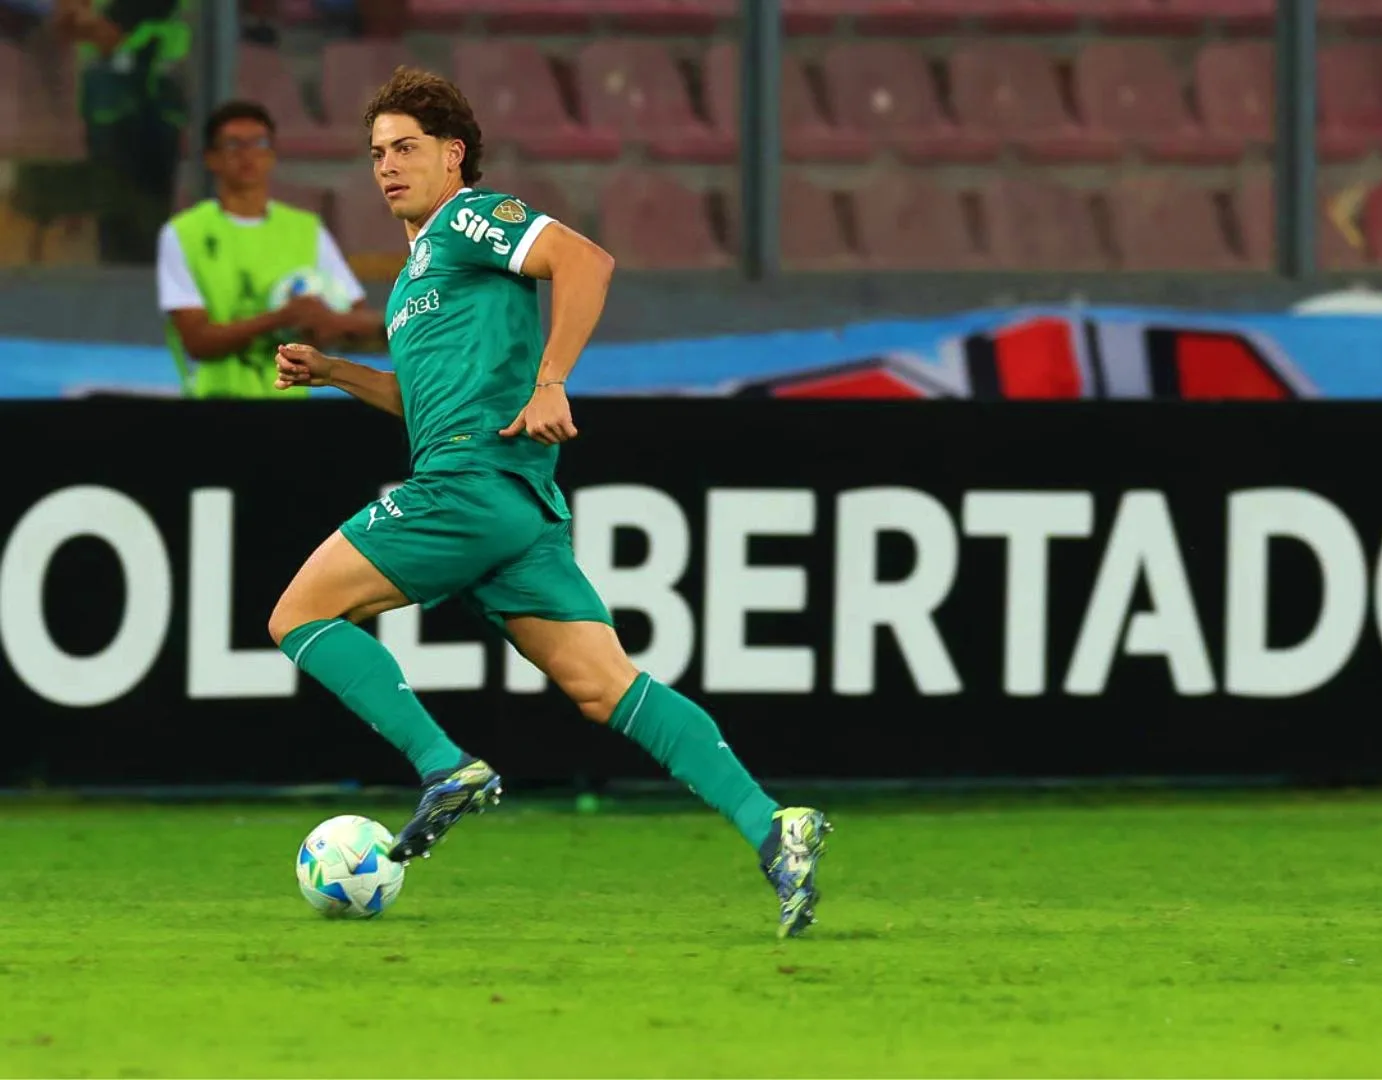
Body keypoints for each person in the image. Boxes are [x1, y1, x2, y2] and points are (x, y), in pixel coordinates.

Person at [266, 66, 831, 938]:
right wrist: (337, 373)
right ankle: (774, 828)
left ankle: (442, 765)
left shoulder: (465, 218)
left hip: (467, 483)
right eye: (377, 152)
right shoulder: (418, 272)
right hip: (517, 506)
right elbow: (425, 405)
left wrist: (553, 380)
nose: (387, 166)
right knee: (607, 686)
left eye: (407, 148)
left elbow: (585, 260)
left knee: (298, 615)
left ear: (454, 155)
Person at [159, 101, 385, 399]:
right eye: (233, 144)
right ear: (211, 159)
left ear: (272, 155)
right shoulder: (184, 234)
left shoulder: (306, 230)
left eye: (259, 143)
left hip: (289, 410)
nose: (247, 153)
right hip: (214, 406)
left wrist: (323, 324)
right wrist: (281, 318)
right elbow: (197, 342)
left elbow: (351, 321)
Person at [52, 0, 189, 264]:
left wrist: (95, 22)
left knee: (144, 210)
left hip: (152, 94)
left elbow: (106, 32)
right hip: (109, 93)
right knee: (115, 208)